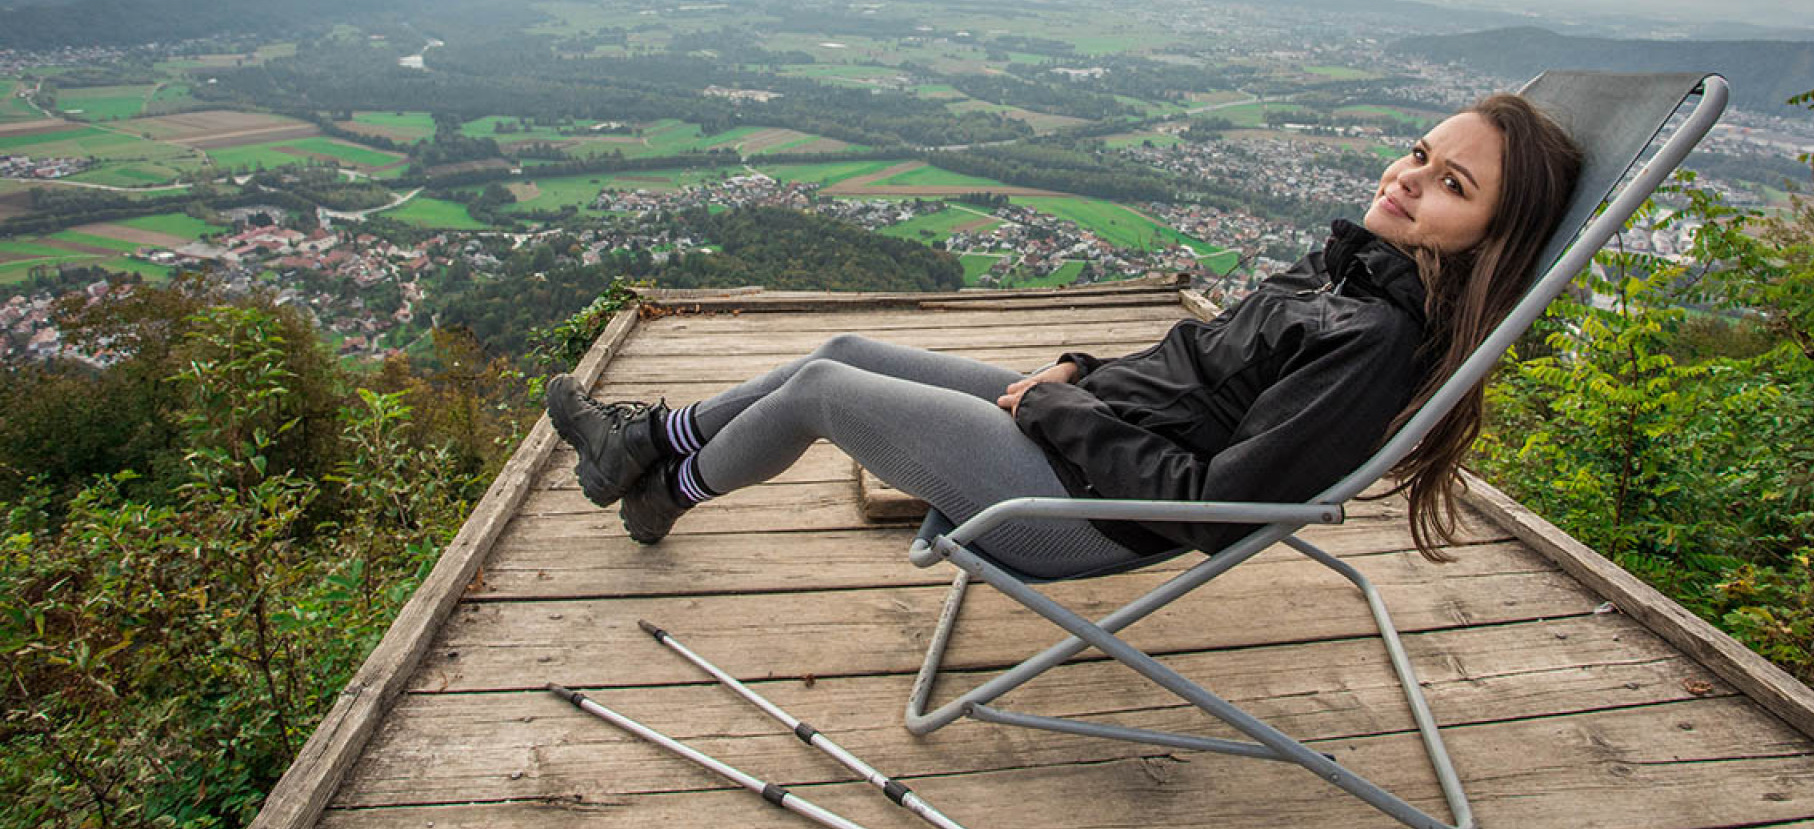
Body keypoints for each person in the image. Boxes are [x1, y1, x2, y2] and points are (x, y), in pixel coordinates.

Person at [545, 94, 1582, 576]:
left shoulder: (1372, 340)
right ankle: (647, 447)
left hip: (1091, 508)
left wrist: (1057, 405)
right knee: (840, 354)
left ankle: (660, 485)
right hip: (1082, 434)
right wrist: (1082, 370)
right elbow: (1195, 374)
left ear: (1498, 236)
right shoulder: (1346, 272)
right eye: (1419, 151)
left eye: (1454, 184)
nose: (1409, 177)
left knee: (823, 394)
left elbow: (1219, 511)